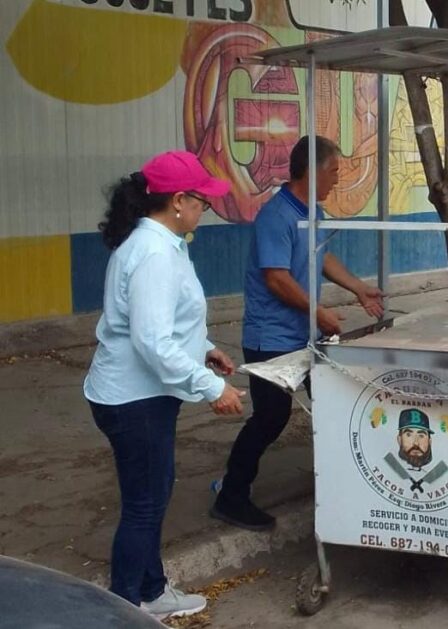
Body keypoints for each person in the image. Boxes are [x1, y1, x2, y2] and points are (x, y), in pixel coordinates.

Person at [83, 151, 246, 620]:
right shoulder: (154, 253)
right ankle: (126, 606)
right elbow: (152, 340)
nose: (205, 210)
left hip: (138, 392)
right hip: (135, 398)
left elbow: (163, 322)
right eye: (203, 202)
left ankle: (152, 590)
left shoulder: (161, 242)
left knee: (154, 493)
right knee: (144, 504)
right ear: (178, 200)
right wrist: (210, 387)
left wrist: (204, 346)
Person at [211, 136, 384, 531]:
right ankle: (231, 496)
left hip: (305, 334)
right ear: (314, 170)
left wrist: (357, 287)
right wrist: (319, 312)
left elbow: (321, 257)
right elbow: (276, 278)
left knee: (333, 402)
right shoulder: (277, 216)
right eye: (334, 172)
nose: (337, 180)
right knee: (271, 417)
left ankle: (340, 482)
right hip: (271, 338)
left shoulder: (312, 212)